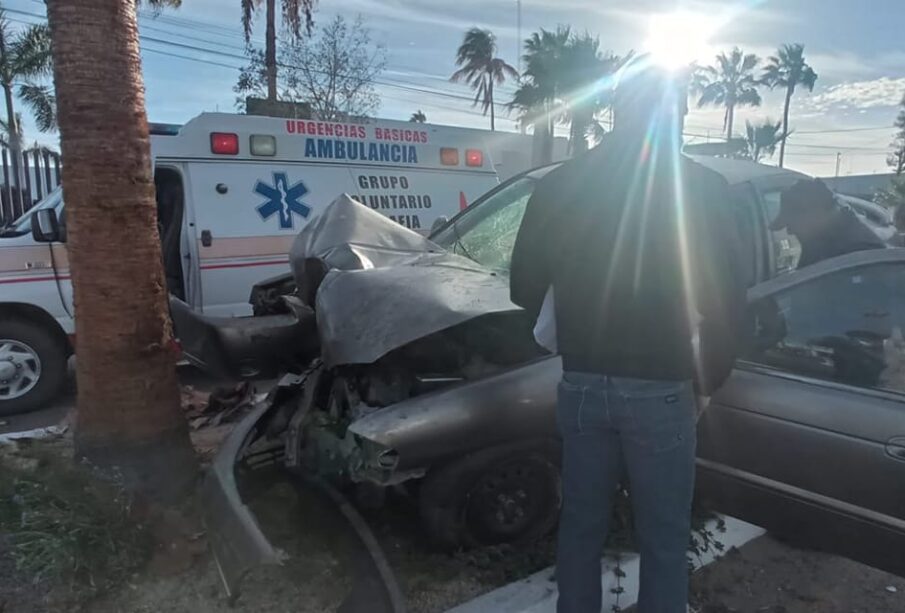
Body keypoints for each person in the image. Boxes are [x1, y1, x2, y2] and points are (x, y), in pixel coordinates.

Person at [509, 62, 747, 613]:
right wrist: (708, 381)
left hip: (583, 380)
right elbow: (726, 300)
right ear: (677, 112)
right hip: (663, 385)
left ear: (617, 110)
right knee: (663, 536)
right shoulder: (704, 189)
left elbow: (524, 285)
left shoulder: (562, 183)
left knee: (581, 526)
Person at [771, 178, 884, 269]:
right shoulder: (818, 242)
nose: (790, 231)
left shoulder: (860, 252)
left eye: (792, 223)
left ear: (816, 213)